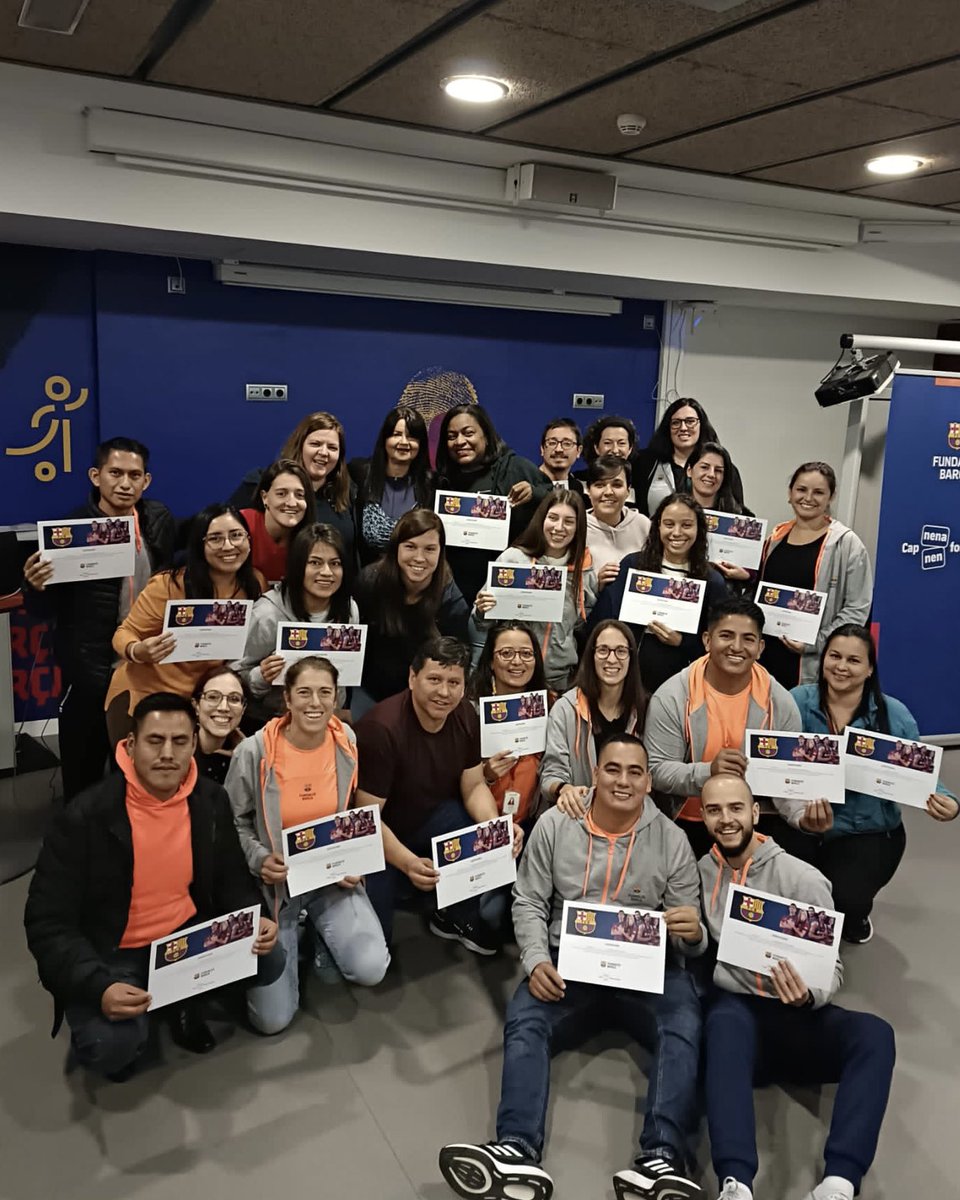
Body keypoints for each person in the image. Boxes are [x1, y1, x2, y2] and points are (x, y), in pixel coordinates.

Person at [438, 734, 706, 1200]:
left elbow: (689, 937)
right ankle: (515, 1149)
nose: (622, 781)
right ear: (594, 774)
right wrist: (536, 959)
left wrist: (695, 934)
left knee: (684, 1024)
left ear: (648, 782)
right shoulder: (555, 826)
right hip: (570, 965)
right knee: (524, 1022)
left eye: (635, 772)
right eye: (612, 769)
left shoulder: (674, 841)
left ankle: (661, 1159)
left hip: (646, 968)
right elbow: (528, 901)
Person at [23, 692, 282, 1079]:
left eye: (180, 741)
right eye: (155, 740)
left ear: (194, 744)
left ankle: (182, 1001)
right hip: (113, 950)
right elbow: (47, 922)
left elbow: (232, 879)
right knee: (112, 1048)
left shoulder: (210, 800)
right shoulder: (85, 816)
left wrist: (258, 915)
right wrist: (98, 987)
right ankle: (133, 1011)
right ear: (130, 744)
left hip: (186, 940)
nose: (168, 753)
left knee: (269, 958)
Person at [698, 774, 895, 1200]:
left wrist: (809, 995)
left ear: (755, 812)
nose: (726, 819)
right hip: (738, 1020)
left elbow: (833, 970)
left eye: (735, 808)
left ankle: (839, 1183)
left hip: (799, 1017)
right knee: (724, 1020)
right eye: (714, 810)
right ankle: (736, 1184)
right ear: (704, 817)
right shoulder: (699, 874)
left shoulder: (804, 879)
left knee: (876, 1035)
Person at [226, 656, 389, 1034]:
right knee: (272, 1021)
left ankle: (316, 933)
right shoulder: (254, 752)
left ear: (336, 698)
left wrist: (355, 860)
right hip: (275, 890)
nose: (314, 702)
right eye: (304, 692)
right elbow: (231, 822)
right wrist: (258, 857)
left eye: (324, 693)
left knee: (371, 967)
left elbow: (349, 817)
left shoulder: (345, 742)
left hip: (328, 880)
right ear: (287, 699)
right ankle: (294, 934)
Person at [20, 436, 175, 799]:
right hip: (91, 671)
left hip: (145, 666)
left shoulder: (158, 520)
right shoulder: (68, 531)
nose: (125, 483)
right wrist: (35, 586)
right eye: (115, 473)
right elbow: (43, 612)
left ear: (146, 481)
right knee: (84, 779)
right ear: (96, 475)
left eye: (134, 475)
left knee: (141, 772)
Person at [355, 636, 523, 955]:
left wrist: (496, 828)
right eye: (434, 679)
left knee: (475, 827)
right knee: (375, 955)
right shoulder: (382, 729)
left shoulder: (465, 716)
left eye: (453, 682)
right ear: (412, 678)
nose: (444, 692)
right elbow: (367, 821)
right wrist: (407, 863)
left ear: (463, 686)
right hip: (378, 838)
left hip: (429, 818)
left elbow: (473, 785)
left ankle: (454, 915)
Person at [792, 625, 958, 943]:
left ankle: (856, 915)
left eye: (854, 660)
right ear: (823, 658)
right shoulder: (796, 700)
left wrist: (948, 801)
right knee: (793, 896)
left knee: (845, 903)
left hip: (867, 831)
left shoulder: (895, 715)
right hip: (804, 822)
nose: (841, 667)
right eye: (834, 656)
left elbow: (923, 775)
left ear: (869, 669)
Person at [644, 594, 830, 861]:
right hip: (688, 819)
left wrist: (802, 817)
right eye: (727, 636)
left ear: (761, 647)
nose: (737, 647)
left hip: (755, 820)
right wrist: (709, 772)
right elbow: (657, 770)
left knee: (801, 851)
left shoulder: (780, 702)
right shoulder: (673, 695)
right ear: (707, 640)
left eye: (748, 639)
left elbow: (786, 779)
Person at [104, 505, 265, 743]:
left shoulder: (255, 584)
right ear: (200, 545)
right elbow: (124, 633)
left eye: (236, 535)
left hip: (203, 705)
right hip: (145, 698)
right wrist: (138, 650)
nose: (228, 546)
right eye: (215, 538)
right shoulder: (169, 585)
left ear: (249, 540)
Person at [590, 493, 729, 695]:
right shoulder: (633, 565)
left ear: (699, 529)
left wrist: (682, 641)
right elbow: (604, 620)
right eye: (669, 524)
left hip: (682, 681)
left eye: (687, 525)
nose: (677, 532)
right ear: (658, 527)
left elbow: (719, 641)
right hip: (625, 676)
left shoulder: (712, 581)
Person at [759, 462, 872, 688]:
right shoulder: (774, 539)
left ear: (830, 497)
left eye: (818, 492)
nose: (808, 498)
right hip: (766, 658)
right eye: (801, 490)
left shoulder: (847, 545)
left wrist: (816, 643)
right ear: (790, 493)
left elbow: (857, 609)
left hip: (811, 664)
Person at [474, 490, 596, 693]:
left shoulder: (584, 570)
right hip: (510, 676)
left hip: (558, 679)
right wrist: (482, 610)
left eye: (569, 521)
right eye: (553, 518)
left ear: (578, 527)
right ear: (542, 520)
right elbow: (482, 622)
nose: (559, 527)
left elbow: (580, 623)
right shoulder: (513, 560)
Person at [236, 524, 357, 727]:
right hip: (270, 722)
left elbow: (346, 673)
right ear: (298, 566)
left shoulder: (349, 609)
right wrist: (261, 676)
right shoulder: (267, 614)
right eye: (315, 563)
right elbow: (236, 676)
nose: (327, 572)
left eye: (335, 564)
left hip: (325, 719)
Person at [353, 509, 469, 717]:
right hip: (366, 689)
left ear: (441, 552)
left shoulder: (453, 602)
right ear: (396, 548)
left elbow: (454, 666)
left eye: (430, 549)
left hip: (421, 700)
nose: (419, 558)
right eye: (410, 547)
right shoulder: (368, 582)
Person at [435, 404, 552, 607]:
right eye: (452, 436)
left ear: (487, 436)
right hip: (455, 592)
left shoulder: (515, 468)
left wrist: (535, 493)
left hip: (507, 588)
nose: (460, 441)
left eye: (468, 433)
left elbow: (564, 500)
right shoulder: (441, 480)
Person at [228, 412, 358, 573]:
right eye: (316, 444)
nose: (324, 452)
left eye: (332, 447)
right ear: (300, 445)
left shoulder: (348, 493)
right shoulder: (261, 483)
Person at [540, 620, 645, 812]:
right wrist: (564, 789)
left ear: (631, 657)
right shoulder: (565, 708)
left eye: (621, 651)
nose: (612, 659)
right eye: (603, 650)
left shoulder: (645, 708)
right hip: (578, 814)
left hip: (629, 817)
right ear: (591, 656)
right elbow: (551, 774)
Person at [469, 620, 549, 827]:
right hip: (479, 822)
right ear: (490, 662)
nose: (517, 661)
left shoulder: (552, 708)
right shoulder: (471, 712)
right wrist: (484, 775)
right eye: (506, 654)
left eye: (526, 654)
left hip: (532, 822)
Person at [631, 399, 746, 518]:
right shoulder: (644, 463)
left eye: (690, 421)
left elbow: (737, 514)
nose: (683, 428)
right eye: (676, 422)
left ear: (701, 424)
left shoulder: (723, 469)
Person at [350, 405, 435, 565]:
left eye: (411, 437)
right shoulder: (359, 474)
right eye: (396, 435)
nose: (404, 442)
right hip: (367, 580)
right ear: (385, 439)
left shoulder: (433, 484)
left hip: (415, 579)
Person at [238, 458, 315, 584]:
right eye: (281, 494)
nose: (291, 503)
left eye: (299, 495)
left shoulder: (312, 541)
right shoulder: (241, 525)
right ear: (265, 497)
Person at [584, 456, 651, 590]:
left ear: (628, 490)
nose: (608, 492)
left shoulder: (643, 525)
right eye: (600, 485)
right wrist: (596, 585)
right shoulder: (576, 527)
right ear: (588, 490)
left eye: (617, 485)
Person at [192, 666, 247, 785]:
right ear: (196, 705)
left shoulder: (250, 755)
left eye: (234, 699)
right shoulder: (177, 753)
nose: (224, 708)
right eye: (212, 697)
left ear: (243, 709)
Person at [685, 442, 747, 516]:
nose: (711, 474)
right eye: (704, 467)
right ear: (689, 470)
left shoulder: (742, 516)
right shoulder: (672, 510)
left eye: (718, 470)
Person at [537, 417, 584, 495]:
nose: (559, 449)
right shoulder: (529, 484)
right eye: (552, 443)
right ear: (542, 449)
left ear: (579, 451)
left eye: (567, 444)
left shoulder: (576, 488)